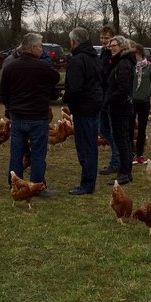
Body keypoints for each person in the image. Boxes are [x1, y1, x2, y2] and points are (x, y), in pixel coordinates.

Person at [0, 32, 62, 197]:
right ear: (33, 47)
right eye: (40, 46)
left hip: (18, 116)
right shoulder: (42, 66)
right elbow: (56, 78)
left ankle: (14, 183)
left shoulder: (10, 66)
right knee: (38, 154)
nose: (42, 50)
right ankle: (37, 186)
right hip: (37, 117)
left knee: (16, 153)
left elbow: (3, 93)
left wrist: (10, 108)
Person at [62, 27, 103, 195]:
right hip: (94, 106)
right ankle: (89, 180)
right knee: (91, 145)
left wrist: (67, 99)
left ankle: (87, 184)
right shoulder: (95, 58)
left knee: (85, 147)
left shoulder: (78, 60)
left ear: (74, 41)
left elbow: (74, 87)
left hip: (83, 108)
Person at [103, 35, 137, 185]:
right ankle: (126, 172)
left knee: (122, 141)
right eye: (110, 46)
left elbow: (123, 89)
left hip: (120, 108)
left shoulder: (123, 64)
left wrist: (108, 100)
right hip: (122, 107)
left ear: (122, 46)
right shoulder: (121, 62)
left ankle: (123, 173)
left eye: (114, 45)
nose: (111, 48)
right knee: (124, 140)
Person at [96, 25, 123, 175]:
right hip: (102, 97)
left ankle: (116, 162)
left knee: (114, 131)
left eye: (107, 38)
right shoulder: (102, 53)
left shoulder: (115, 55)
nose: (104, 40)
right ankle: (118, 156)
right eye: (102, 37)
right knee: (104, 129)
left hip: (111, 98)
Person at [130, 41, 151, 164]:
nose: (133, 55)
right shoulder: (129, 66)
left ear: (140, 53)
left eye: (135, 53)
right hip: (130, 102)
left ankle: (140, 155)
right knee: (129, 128)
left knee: (142, 129)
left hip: (144, 102)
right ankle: (130, 153)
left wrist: (147, 94)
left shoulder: (150, 67)